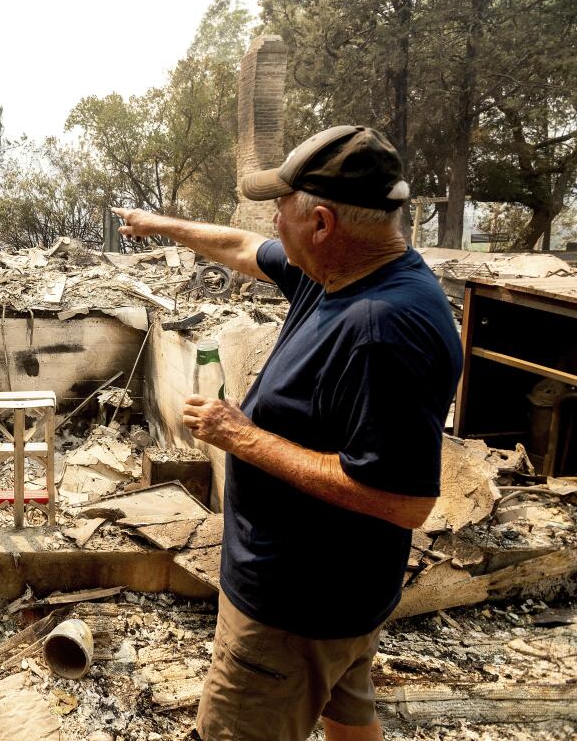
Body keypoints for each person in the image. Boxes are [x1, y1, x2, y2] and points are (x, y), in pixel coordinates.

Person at [112, 125, 462, 741]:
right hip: (341, 598)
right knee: (347, 714)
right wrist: (159, 224)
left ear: (322, 223)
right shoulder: (341, 273)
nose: (273, 221)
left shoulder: (382, 329)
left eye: (281, 207)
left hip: (295, 610)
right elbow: (244, 248)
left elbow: (404, 500)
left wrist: (238, 435)